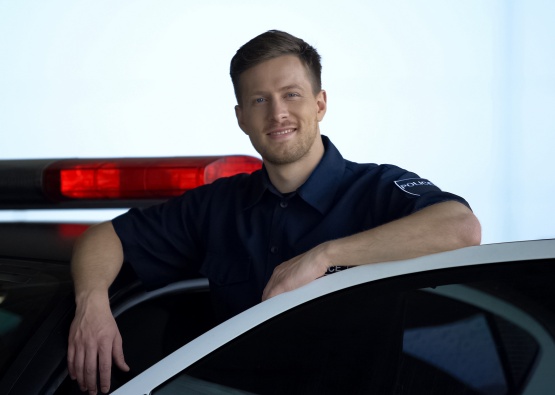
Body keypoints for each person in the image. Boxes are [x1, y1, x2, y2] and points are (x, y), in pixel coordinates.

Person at [67, 30, 481, 394]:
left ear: (320, 104)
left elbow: (461, 229)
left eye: (292, 95)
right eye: (260, 100)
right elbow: (105, 237)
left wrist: (324, 257)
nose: (277, 113)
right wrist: (92, 306)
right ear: (241, 118)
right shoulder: (218, 205)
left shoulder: (375, 190)